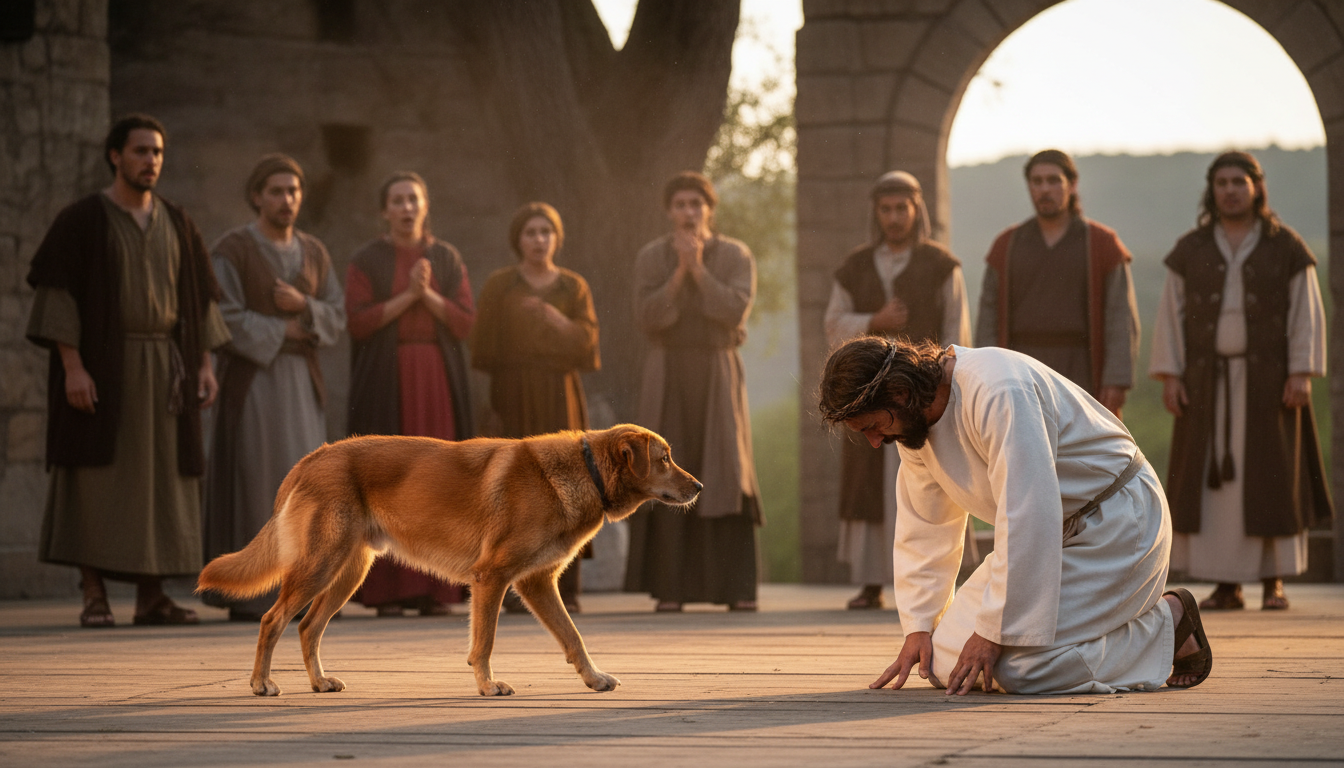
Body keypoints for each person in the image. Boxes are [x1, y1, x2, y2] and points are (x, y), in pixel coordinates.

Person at [819, 337, 1214, 694]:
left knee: (1020, 669)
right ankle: (1090, 631)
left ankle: (1166, 623)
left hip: (1117, 525)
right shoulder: (911, 425)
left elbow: (1029, 511)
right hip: (1043, 541)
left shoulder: (998, 389)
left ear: (901, 392)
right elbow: (926, 528)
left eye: (873, 426)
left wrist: (994, 631)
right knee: (940, 660)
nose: (874, 442)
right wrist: (919, 626)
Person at [25, 114, 231, 627]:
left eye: (157, 152)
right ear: (115, 156)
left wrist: (204, 366)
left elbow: (199, 301)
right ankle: (94, 594)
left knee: (160, 483)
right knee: (96, 481)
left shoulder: (178, 222)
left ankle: (152, 596)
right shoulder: (82, 220)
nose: (151, 161)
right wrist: (73, 368)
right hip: (103, 369)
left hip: (167, 371)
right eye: (141, 151)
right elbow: (58, 300)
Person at [1150, 151, 1332, 611]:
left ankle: (1273, 580)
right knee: (1214, 490)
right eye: (1222, 182)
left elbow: (1305, 312)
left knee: (1272, 478)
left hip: (1270, 384)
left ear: (1256, 187)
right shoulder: (1190, 249)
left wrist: (1301, 371)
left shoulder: (1285, 247)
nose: (1230, 190)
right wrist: (1171, 374)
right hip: (1206, 383)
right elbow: (1170, 316)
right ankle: (1225, 585)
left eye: (1240, 181)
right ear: (1212, 189)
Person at [202, 154, 346, 621]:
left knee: (311, 488)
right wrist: (280, 329)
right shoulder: (233, 250)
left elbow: (335, 315)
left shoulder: (314, 252)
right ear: (257, 196)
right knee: (257, 479)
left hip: (302, 384)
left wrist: (304, 305)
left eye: (294, 191)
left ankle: (305, 589)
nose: (288, 200)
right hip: (254, 384)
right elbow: (221, 316)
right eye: (277, 191)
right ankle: (252, 593)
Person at [823, 171, 971, 610]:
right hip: (869, 398)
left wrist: (951, 381)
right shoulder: (854, 267)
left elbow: (955, 329)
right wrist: (873, 321)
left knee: (935, 476)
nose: (893, 217)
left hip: (920, 395)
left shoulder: (941, 265)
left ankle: (936, 582)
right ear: (876, 213)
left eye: (901, 208)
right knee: (870, 485)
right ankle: (872, 581)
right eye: (885, 209)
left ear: (916, 209)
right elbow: (832, 324)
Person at [625, 171, 762, 613]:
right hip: (668, 371)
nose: (688, 212)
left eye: (696, 204)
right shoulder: (651, 256)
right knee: (665, 466)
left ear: (709, 209)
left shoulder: (735, 254)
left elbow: (734, 308)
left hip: (717, 370)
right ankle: (672, 589)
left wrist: (698, 269)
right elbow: (649, 317)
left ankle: (736, 588)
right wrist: (679, 273)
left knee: (725, 469)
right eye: (680, 204)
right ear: (669, 211)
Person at [345, 171, 475, 616]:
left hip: (436, 378)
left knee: (442, 483)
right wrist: (408, 295)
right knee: (388, 482)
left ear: (425, 206)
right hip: (388, 378)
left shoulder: (446, 256)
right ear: (385, 210)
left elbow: (463, 322)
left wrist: (428, 295)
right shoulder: (367, 259)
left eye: (413, 199)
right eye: (397, 200)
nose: (406, 208)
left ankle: (437, 589)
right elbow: (358, 323)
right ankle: (388, 592)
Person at [471, 202, 600, 612]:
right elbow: (483, 347)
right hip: (513, 391)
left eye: (546, 231)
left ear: (557, 238)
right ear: (518, 240)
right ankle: (508, 582)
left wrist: (556, 320)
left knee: (573, 482)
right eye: (530, 232)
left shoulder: (573, 287)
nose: (539, 239)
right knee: (514, 485)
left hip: (561, 392)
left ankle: (568, 587)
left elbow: (590, 346)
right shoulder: (500, 285)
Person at [975, 149, 1140, 417]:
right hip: (1020, 368)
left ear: (1072, 185)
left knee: (1080, 455)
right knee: (1023, 451)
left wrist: (1116, 379)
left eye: (1053, 180)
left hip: (1081, 368)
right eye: (1037, 182)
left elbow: (1120, 317)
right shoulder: (1007, 245)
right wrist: (987, 373)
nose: (1044, 189)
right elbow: (988, 317)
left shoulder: (1102, 244)